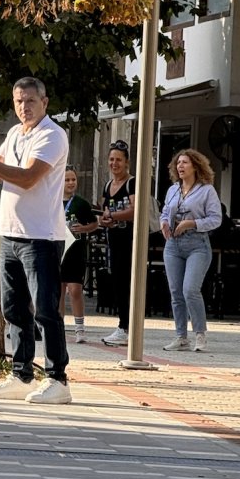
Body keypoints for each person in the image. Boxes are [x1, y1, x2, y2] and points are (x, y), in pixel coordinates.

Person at [0, 76, 72, 404]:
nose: (25, 107)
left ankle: (57, 378)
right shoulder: (14, 134)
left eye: (31, 101)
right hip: (9, 234)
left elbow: (29, 178)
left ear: (45, 102)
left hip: (41, 237)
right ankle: (21, 373)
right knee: (14, 309)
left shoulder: (53, 135)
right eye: (19, 101)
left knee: (45, 311)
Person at [160, 149, 222, 353]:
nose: (180, 166)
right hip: (173, 245)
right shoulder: (173, 190)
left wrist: (191, 223)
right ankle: (180, 336)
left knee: (190, 289)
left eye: (185, 162)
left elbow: (216, 219)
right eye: (178, 163)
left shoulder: (206, 190)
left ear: (195, 166)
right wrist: (164, 223)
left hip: (197, 244)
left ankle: (200, 334)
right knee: (176, 291)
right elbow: (165, 212)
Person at [98, 140, 135, 346]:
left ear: (126, 162)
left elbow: (134, 210)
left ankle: (127, 326)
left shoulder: (131, 183)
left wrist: (113, 214)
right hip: (113, 239)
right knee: (117, 282)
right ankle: (123, 325)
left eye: (119, 160)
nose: (115, 163)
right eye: (111, 159)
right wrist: (103, 219)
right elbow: (104, 211)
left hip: (130, 241)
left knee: (127, 283)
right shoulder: (107, 185)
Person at [61, 166, 97, 345]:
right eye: (67, 180)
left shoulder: (81, 203)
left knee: (75, 289)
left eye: (73, 179)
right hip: (59, 251)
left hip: (76, 251)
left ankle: (79, 328)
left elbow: (94, 223)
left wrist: (84, 229)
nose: (70, 183)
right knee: (57, 290)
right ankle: (58, 326)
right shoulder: (52, 201)